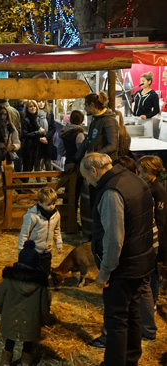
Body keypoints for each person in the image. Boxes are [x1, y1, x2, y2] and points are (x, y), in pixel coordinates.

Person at [80, 152, 155, 366]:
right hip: (141, 261)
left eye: (87, 178)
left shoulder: (112, 192)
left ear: (94, 171)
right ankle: (131, 359)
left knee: (117, 321)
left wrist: (104, 272)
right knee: (133, 314)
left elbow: (114, 239)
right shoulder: (133, 179)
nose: (89, 183)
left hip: (123, 268)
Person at [0, 239, 51, 366]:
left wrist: (1, 310)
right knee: (28, 341)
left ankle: (5, 361)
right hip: (31, 319)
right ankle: (26, 361)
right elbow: (44, 305)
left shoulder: (9, 279)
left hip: (10, 316)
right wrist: (46, 320)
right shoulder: (40, 285)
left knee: (10, 339)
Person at [137, 155, 167, 304]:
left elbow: (160, 220)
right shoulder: (147, 186)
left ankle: (153, 301)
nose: (140, 176)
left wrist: (154, 239)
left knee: (153, 271)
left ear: (154, 171)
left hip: (155, 239)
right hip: (148, 235)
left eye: (143, 172)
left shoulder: (158, 191)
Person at [18, 187, 63, 275]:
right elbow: (24, 234)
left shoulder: (56, 215)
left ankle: (43, 287)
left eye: (54, 204)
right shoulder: (32, 216)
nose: (52, 207)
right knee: (32, 273)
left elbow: (57, 230)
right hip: (33, 251)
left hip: (47, 251)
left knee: (45, 273)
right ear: (40, 203)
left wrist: (59, 244)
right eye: (49, 204)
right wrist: (21, 252)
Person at [75, 92, 119, 163]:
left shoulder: (109, 120)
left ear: (92, 105)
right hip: (96, 163)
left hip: (105, 164)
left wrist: (95, 156)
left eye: (86, 105)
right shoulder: (95, 120)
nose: (84, 108)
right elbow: (87, 141)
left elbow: (113, 145)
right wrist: (75, 159)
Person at [20, 100, 44, 174]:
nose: (33, 108)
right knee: (27, 168)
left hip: (35, 145)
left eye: (34, 106)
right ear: (27, 108)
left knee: (30, 167)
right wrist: (38, 132)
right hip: (28, 147)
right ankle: (25, 184)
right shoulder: (26, 119)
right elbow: (24, 134)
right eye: (30, 106)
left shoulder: (36, 118)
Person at [36, 100, 56, 173]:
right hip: (37, 140)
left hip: (47, 140)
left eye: (43, 101)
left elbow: (53, 128)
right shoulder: (34, 114)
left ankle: (49, 181)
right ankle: (38, 182)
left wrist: (46, 137)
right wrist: (39, 138)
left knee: (48, 162)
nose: (41, 103)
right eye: (39, 101)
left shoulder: (50, 114)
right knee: (37, 162)